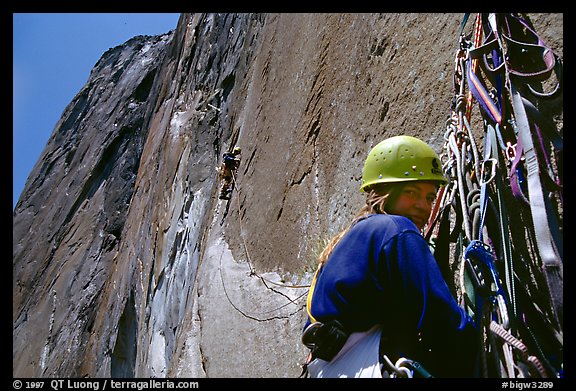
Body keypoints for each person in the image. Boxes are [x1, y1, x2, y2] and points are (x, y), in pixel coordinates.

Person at [301, 135, 478, 378]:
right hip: (373, 366)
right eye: (411, 192)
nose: (423, 206)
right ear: (385, 192)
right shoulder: (396, 230)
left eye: (429, 197)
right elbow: (442, 320)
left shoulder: (346, 241)